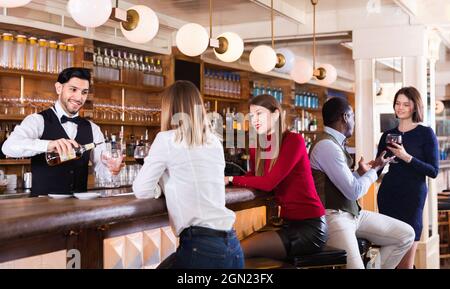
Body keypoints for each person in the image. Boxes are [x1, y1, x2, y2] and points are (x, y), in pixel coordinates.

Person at [133, 80, 243, 269]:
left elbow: (142, 190)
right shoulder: (214, 141)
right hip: (232, 246)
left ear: (168, 108)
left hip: (201, 249)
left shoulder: (166, 139)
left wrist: (159, 188)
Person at [309, 96, 415, 269]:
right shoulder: (326, 146)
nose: (354, 121)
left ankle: (372, 267)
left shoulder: (334, 143)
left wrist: (359, 173)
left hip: (352, 214)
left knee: (406, 235)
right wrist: (375, 170)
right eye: (353, 117)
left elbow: (344, 184)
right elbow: (353, 191)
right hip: (334, 217)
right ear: (345, 117)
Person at [225, 94, 328, 261]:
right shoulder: (258, 145)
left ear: (275, 114)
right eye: (251, 116)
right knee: (234, 247)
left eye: (259, 114)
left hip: (309, 227)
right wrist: (226, 180)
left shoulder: (294, 141)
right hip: (286, 223)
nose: (254, 120)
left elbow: (268, 183)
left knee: (238, 251)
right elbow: (254, 176)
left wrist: (231, 179)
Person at [1, 67, 121, 197]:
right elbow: (8, 147)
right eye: (73, 89)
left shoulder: (93, 129)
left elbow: (103, 171)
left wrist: (112, 169)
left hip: (79, 210)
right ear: (59, 88)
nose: (79, 97)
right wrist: (48, 145)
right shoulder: (37, 121)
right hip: (40, 208)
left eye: (84, 92)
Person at [376, 87, 439, 269]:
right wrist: (369, 168)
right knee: (389, 259)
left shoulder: (425, 133)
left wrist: (406, 157)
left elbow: (433, 171)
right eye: (397, 103)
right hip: (388, 195)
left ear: (414, 107)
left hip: (412, 198)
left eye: (406, 104)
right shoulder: (387, 135)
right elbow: (379, 169)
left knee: (405, 262)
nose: (400, 107)